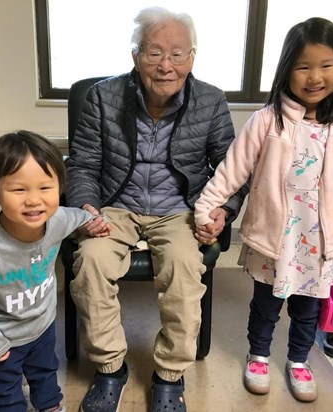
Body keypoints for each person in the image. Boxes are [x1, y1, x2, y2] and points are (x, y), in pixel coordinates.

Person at [65, 6, 248, 412]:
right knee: (91, 262)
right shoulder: (103, 97)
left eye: (178, 54)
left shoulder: (211, 100)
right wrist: (86, 206)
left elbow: (231, 169)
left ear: (192, 57)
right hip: (116, 203)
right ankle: (111, 367)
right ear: (135, 55)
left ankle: (169, 374)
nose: (166, 66)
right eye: (154, 53)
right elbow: (82, 164)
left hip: (180, 208)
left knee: (183, 269)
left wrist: (222, 210)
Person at [194, 17, 333, 402]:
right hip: (277, 238)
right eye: (303, 66)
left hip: (319, 243)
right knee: (266, 304)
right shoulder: (267, 121)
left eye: (325, 66)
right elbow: (231, 171)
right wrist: (206, 208)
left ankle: (299, 361)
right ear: (287, 70)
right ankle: (259, 355)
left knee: (306, 308)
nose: (314, 77)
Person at [0, 131, 107, 412]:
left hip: (42, 325)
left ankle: (49, 406)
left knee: (45, 374)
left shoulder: (58, 219)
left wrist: (96, 220)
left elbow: (78, 216)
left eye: (45, 188)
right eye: (19, 190)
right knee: (3, 391)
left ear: (59, 188)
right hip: (3, 337)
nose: (34, 200)